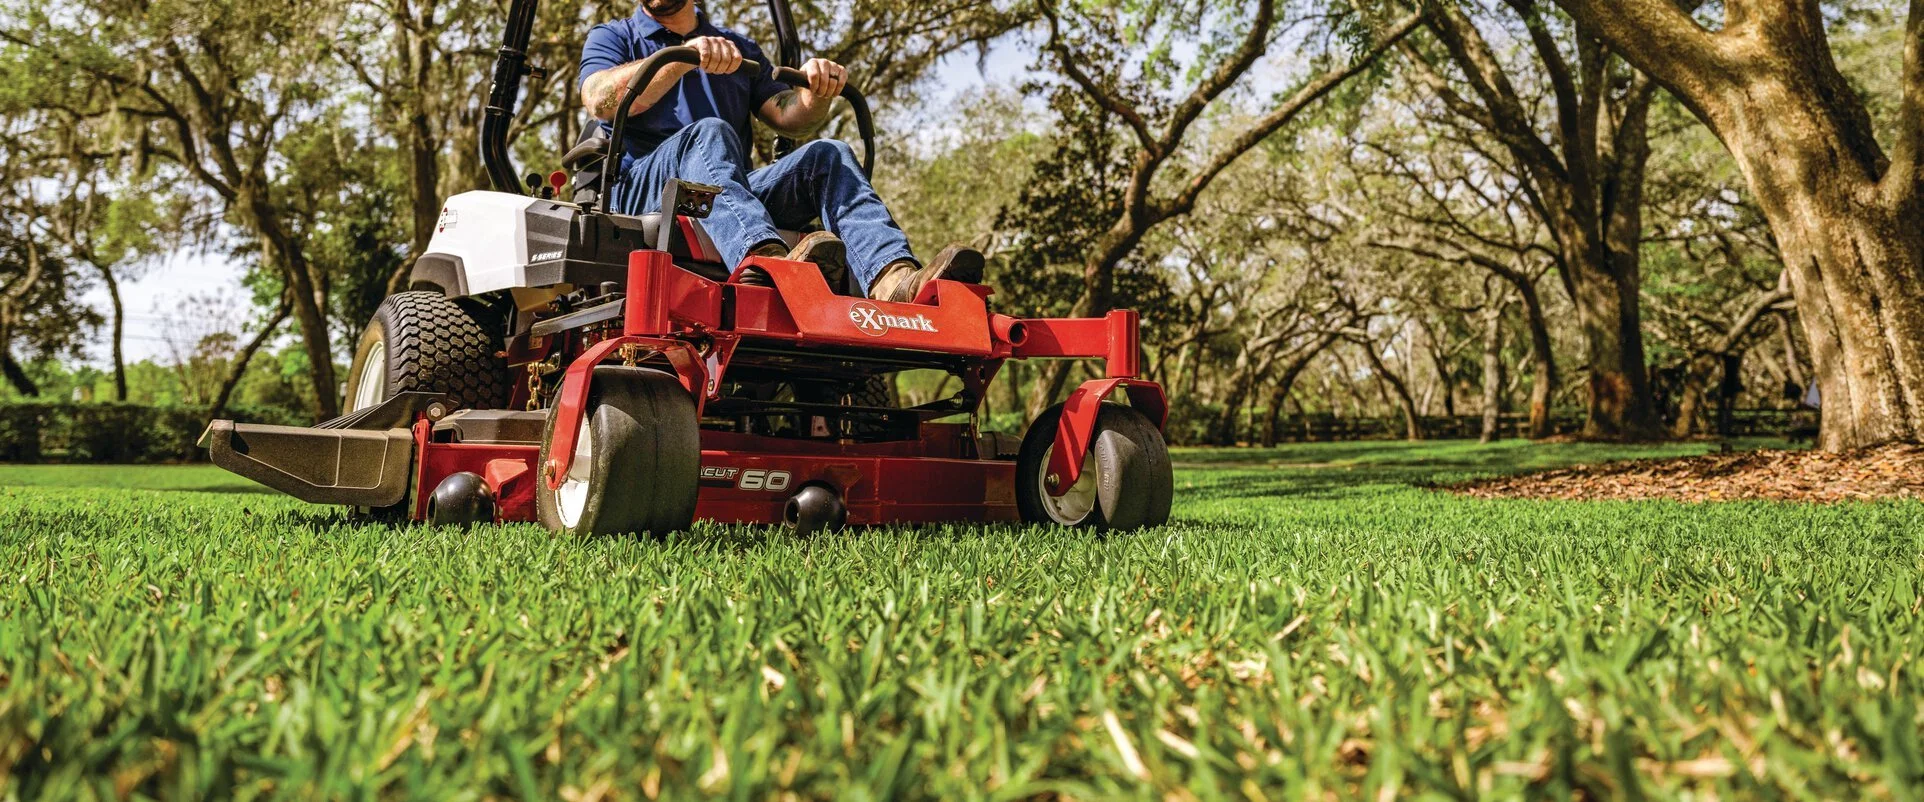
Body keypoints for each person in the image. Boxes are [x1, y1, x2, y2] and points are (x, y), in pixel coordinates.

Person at [578, 0, 981, 301]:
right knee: (711, 133)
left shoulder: (739, 48)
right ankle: (765, 261)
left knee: (829, 153)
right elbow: (599, 99)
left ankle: (892, 278)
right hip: (641, 192)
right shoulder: (614, 36)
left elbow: (790, 115)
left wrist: (817, 92)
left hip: (727, 191)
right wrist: (683, 59)